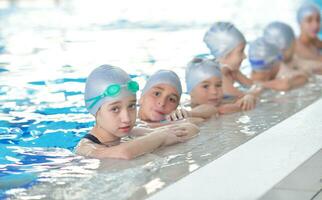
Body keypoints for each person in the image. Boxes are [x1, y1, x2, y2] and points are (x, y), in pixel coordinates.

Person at [75, 65, 199, 159]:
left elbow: (191, 128)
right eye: (115, 109)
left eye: (131, 106)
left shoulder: (133, 132)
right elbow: (124, 153)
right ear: (94, 110)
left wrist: (160, 136)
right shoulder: (85, 147)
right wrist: (160, 136)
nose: (127, 119)